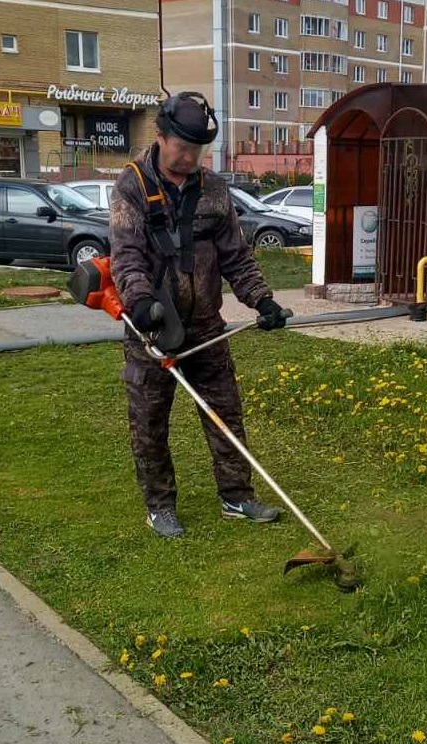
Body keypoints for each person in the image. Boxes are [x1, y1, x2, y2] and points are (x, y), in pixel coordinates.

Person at [109, 91, 291, 538]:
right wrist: (139, 302)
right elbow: (126, 256)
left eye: (198, 150)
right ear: (161, 136)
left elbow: (236, 257)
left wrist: (261, 299)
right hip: (152, 328)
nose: (190, 157)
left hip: (207, 326)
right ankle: (160, 505)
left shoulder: (214, 191)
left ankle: (237, 497)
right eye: (182, 147)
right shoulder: (131, 186)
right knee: (150, 422)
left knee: (225, 415)